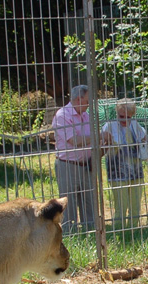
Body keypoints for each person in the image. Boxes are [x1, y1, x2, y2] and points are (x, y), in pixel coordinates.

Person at [101, 98, 148, 230]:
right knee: (121, 204)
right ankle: (119, 231)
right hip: (117, 172)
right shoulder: (109, 126)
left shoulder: (135, 125)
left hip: (136, 171)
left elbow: (147, 140)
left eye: (128, 117)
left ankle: (133, 230)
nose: (124, 119)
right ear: (116, 112)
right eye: (121, 116)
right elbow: (102, 147)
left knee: (135, 204)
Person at [51, 84, 97, 233]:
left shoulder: (86, 116)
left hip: (87, 165)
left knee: (89, 202)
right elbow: (75, 140)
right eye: (88, 99)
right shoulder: (62, 115)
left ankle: (91, 232)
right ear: (79, 99)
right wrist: (98, 137)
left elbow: (91, 140)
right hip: (68, 165)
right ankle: (70, 234)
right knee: (68, 202)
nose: (90, 102)